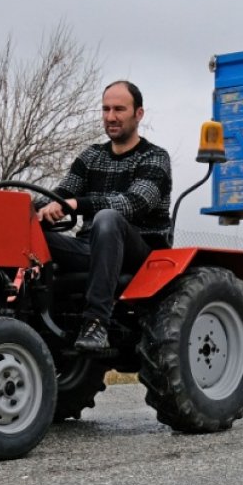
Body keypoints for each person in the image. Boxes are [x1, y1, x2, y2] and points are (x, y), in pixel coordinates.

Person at [38, 80, 172, 352]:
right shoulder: (91, 157)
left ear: (139, 114)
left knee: (108, 218)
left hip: (140, 253)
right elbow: (62, 192)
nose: (111, 117)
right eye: (106, 109)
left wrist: (75, 204)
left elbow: (134, 203)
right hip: (92, 248)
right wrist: (37, 207)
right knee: (29, 231)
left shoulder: (155, 158)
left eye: (119, 109)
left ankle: (96, 322)